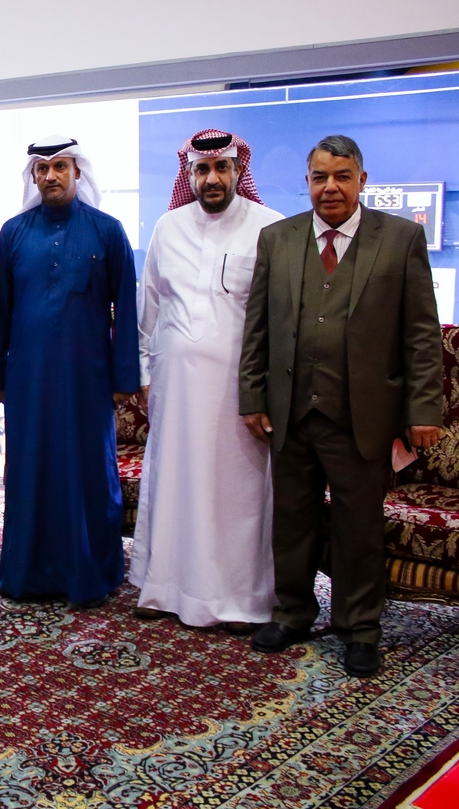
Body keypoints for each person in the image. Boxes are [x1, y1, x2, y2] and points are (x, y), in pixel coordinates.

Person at [240, 135, 443, 677]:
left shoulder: (400, 238)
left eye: (342, 176)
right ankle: (293, 613)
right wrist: (253, 397)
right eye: (319, 177)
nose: (330, 187)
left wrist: (424, 409)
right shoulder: (277, 239)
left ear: (361, 180)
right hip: (290, 412)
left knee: (358, 528)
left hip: (363, 415)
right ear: (307, 182)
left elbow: (422, 335)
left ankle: (360, 628)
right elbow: (257, 329)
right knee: (292, 521)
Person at [129, 130, 284, 632]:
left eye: (221, 167)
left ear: (239, 170)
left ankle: (239, 600)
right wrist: (145, 374)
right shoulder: (168, 227)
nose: (211, 178)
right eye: (201, 169)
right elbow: (149, 309)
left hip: (239, 391)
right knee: (173, 483)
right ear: (189, 174)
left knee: (236, 495)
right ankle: (163, 588)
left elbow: (281, 319)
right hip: (174, 386)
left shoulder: (270, 227)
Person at [0, 137, 139, 607]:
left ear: (77, 172)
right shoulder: (14, 232)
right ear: (33, 176)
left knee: (86, 470)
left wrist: (124, 379)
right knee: (30, 469)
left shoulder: (107, 231)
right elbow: (1, 309)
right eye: (42, 168)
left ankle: (89, 573)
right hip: (28, 378)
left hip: (86, 378)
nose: (50, 175)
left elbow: (126, 308)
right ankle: (27, 573)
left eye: (60, 166)